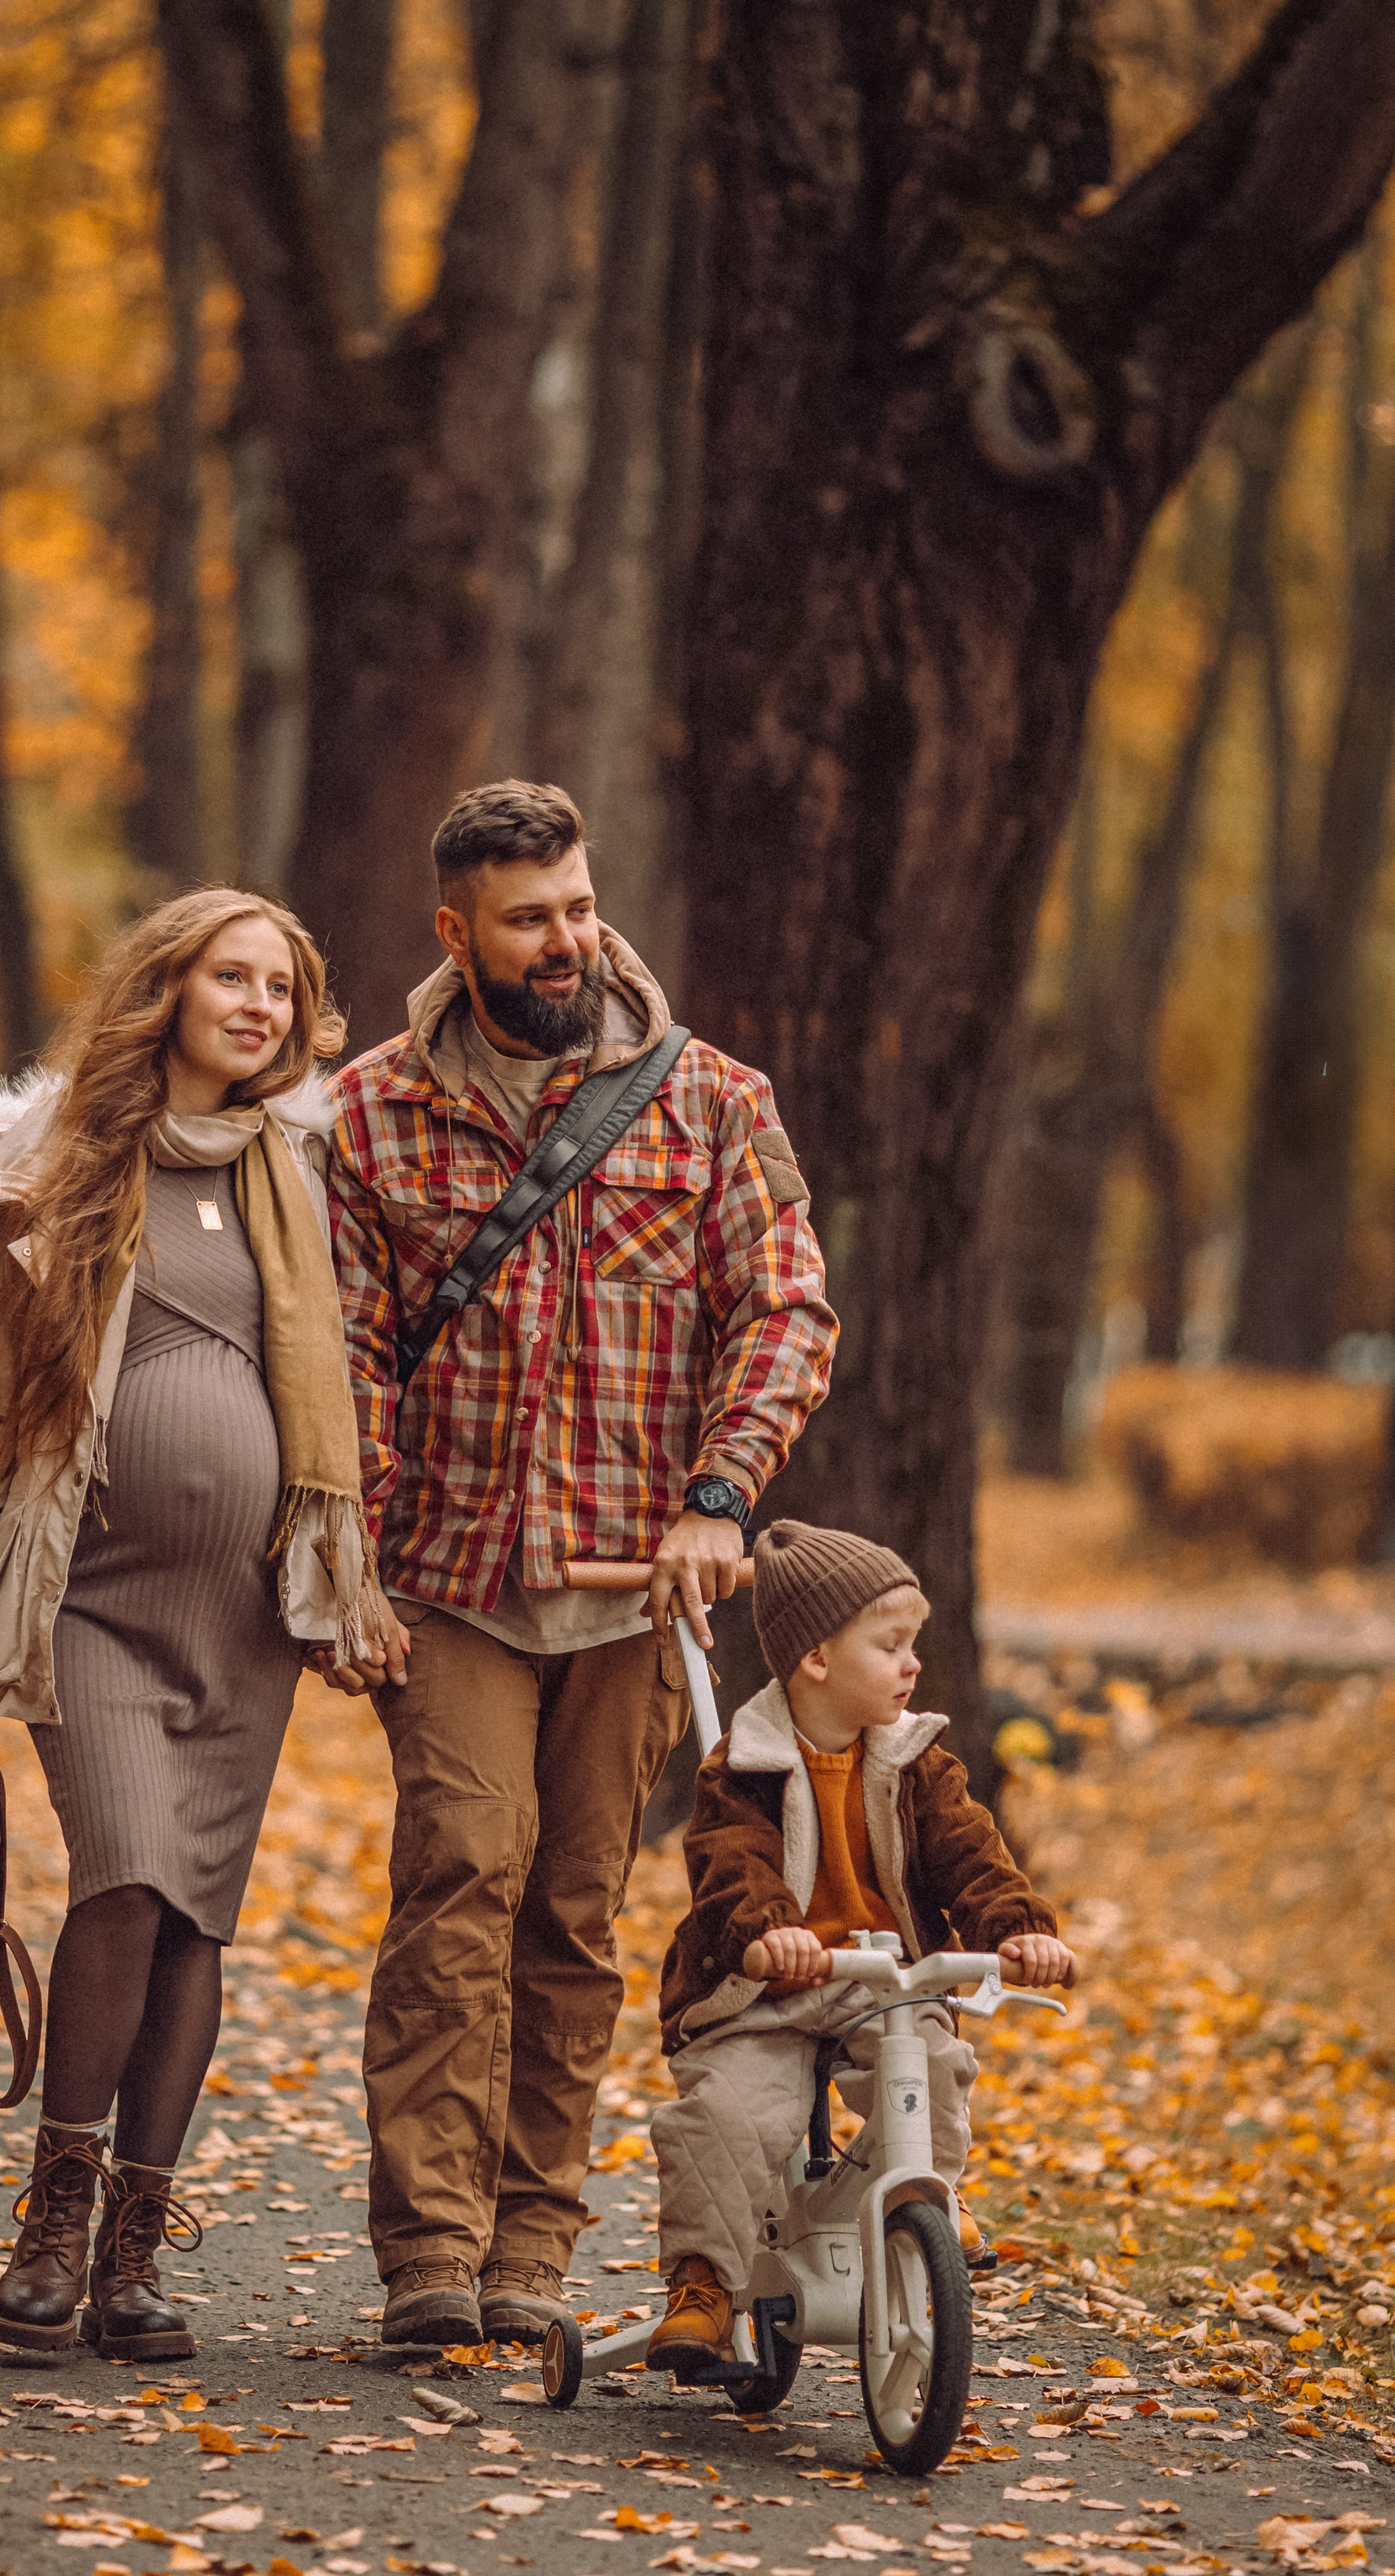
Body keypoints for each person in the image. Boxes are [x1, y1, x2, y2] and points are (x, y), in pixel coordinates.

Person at [0, 889, 386, 2367]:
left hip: (245, 1614)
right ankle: (54, 2219)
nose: (262, 1004)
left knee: (198, 1909)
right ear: (167, 986)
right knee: (129, 1878)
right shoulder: (56, 1164)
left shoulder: (300, 1164)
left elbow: (344, 1374)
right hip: (86, 1591)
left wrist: (349, 1575)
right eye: (233, 975)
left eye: (285, 983)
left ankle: (137, 2247)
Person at [325, 779, 838, 2347]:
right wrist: (346, 1555)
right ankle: (427, 2248)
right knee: (458, 1872)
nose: (561, 940)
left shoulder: (709, 1102)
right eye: (525, 918)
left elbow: (784, 1312)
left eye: (573, 906)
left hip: (634, 1582)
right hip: (452, 1575)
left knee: (569, 1909)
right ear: (455, 932)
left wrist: (715, 1494)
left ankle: (530, 2249)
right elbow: (339, 1353)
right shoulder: (369, 1114)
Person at [646, 1520, 1078, 2375]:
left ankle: (922, 2192)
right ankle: (703, 2281)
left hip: (881, 1976)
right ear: (815, 1658)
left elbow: (970, 1854)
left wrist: (1017, 1927)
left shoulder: (920, 1761)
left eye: (912, 1644)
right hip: (762, 1991)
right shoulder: (742, 1766)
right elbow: (730, 1866)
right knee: (726, 2119)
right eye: (890, 1645)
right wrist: (771, 1934)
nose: (912, 1664)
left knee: (930, 2059)